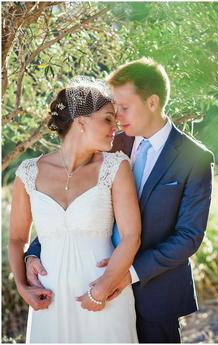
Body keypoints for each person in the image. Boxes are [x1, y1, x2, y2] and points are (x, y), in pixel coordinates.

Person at [26, 58, 214, 343]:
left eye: (123, 108)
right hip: (90, 287)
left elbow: (189, 236)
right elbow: (69, 200)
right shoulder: (108, 142)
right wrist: (34, 251)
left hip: (154, 293)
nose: (116, 118)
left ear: (152, 102)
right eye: (113, 110)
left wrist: (129, 274)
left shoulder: (195, 158)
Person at [8, 77, 140, 343]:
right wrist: (23, 287)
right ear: (81, 122)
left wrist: (102, 289)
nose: (115, 126)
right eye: (107, 119)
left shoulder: (115, 167)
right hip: (50, 299)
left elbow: (131, 236)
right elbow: (16, 239)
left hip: (104, 295)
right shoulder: (28, 173)